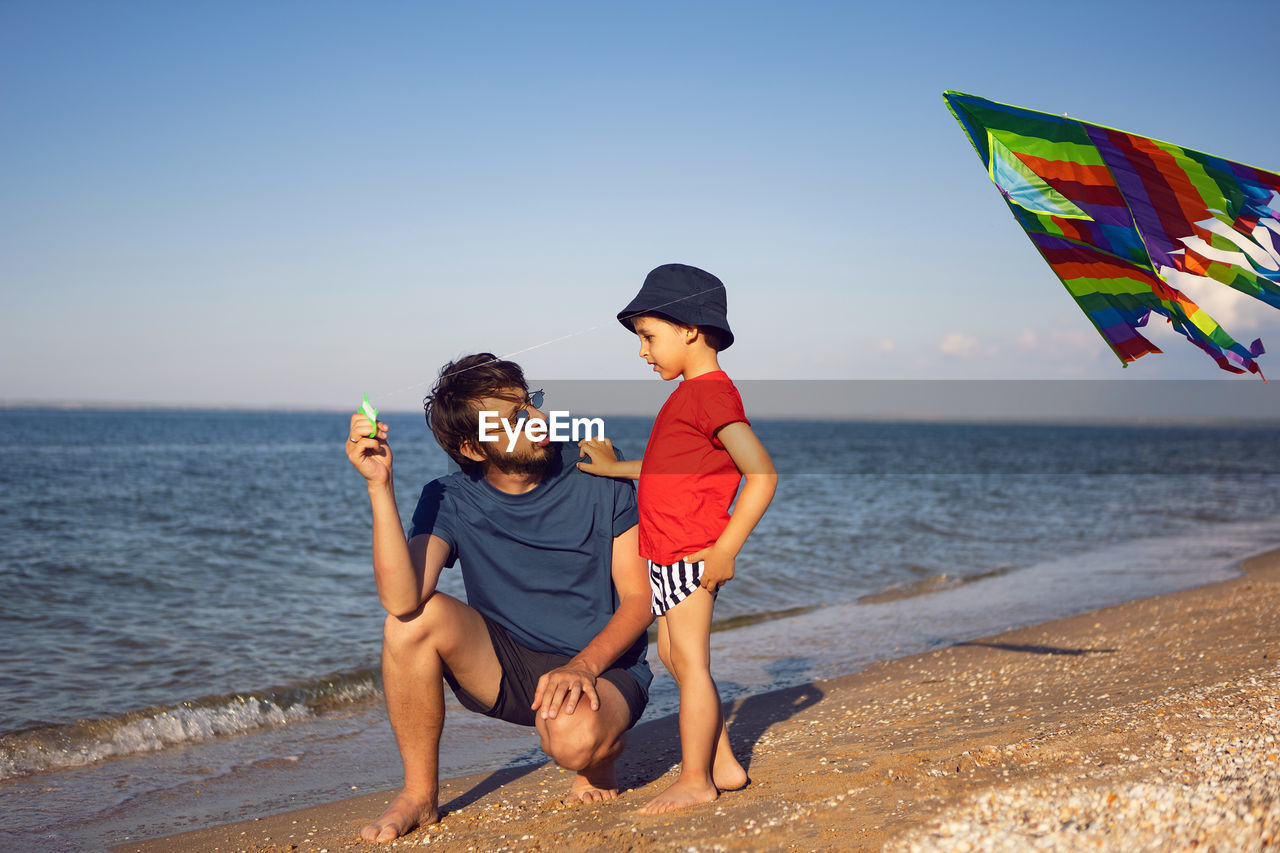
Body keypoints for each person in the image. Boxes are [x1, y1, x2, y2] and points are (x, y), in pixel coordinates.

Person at [345, 353, 653, 843]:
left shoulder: (599, 469)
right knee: (407, 624)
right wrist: (380, 488)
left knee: (573, 742)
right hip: (507, 665)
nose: (536, 421)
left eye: (531, 405)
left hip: (603, 665)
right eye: (513, 419)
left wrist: (584, 667)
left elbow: (640, 598)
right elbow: (403, 600)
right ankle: (419, 794)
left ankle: (598, 764)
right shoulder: (448, 496)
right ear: (472, 448)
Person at [577, 263, 777, 814]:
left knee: (690, 665)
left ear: (689, 328)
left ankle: (695, 780)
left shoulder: (713, 396)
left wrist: (726, 549)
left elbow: (761, 474)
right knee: (672, 655)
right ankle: (725, 765)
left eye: (648, 337)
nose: (643, 352)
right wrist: (612, 468)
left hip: (694, 552)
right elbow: (669, 467)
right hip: (665, 551)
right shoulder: (688, 394)